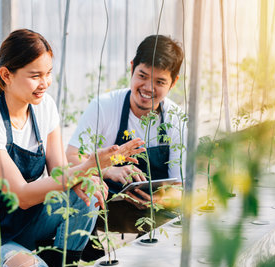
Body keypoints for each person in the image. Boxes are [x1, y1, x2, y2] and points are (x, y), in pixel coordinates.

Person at [0, 29, 145, 267]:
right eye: (35, 75)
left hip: (17, 220)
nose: (45, 82)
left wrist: (89, 175)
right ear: (6, 75)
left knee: (86, 195)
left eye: (48, 73)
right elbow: (21, 196)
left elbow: (59, 171)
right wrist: (89, 164)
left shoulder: (44, 107)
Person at [66, 35, 186, 244]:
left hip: (153, 212)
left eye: (159, 82)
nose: (148, 88)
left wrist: (159, 199)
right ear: (131, 68)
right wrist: (108, 170)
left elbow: (181, 186)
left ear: (173, 83)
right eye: (142, 75)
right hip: (104, 210)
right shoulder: (104, 107)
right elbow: (72, 156)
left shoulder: (177, 119)